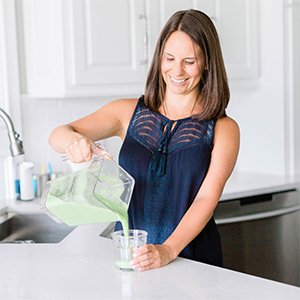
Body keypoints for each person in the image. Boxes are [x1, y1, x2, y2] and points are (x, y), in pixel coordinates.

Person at [49, 9, 240, 271]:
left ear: (207, 62)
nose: (177, 70)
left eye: (189, 61)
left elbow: (206, 198)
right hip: (132, 258)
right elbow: (58, 134)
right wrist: (74, 142)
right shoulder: (127, 112)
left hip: (194, 262)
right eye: (169, 58)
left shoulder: (224, 129)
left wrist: (168, 250)